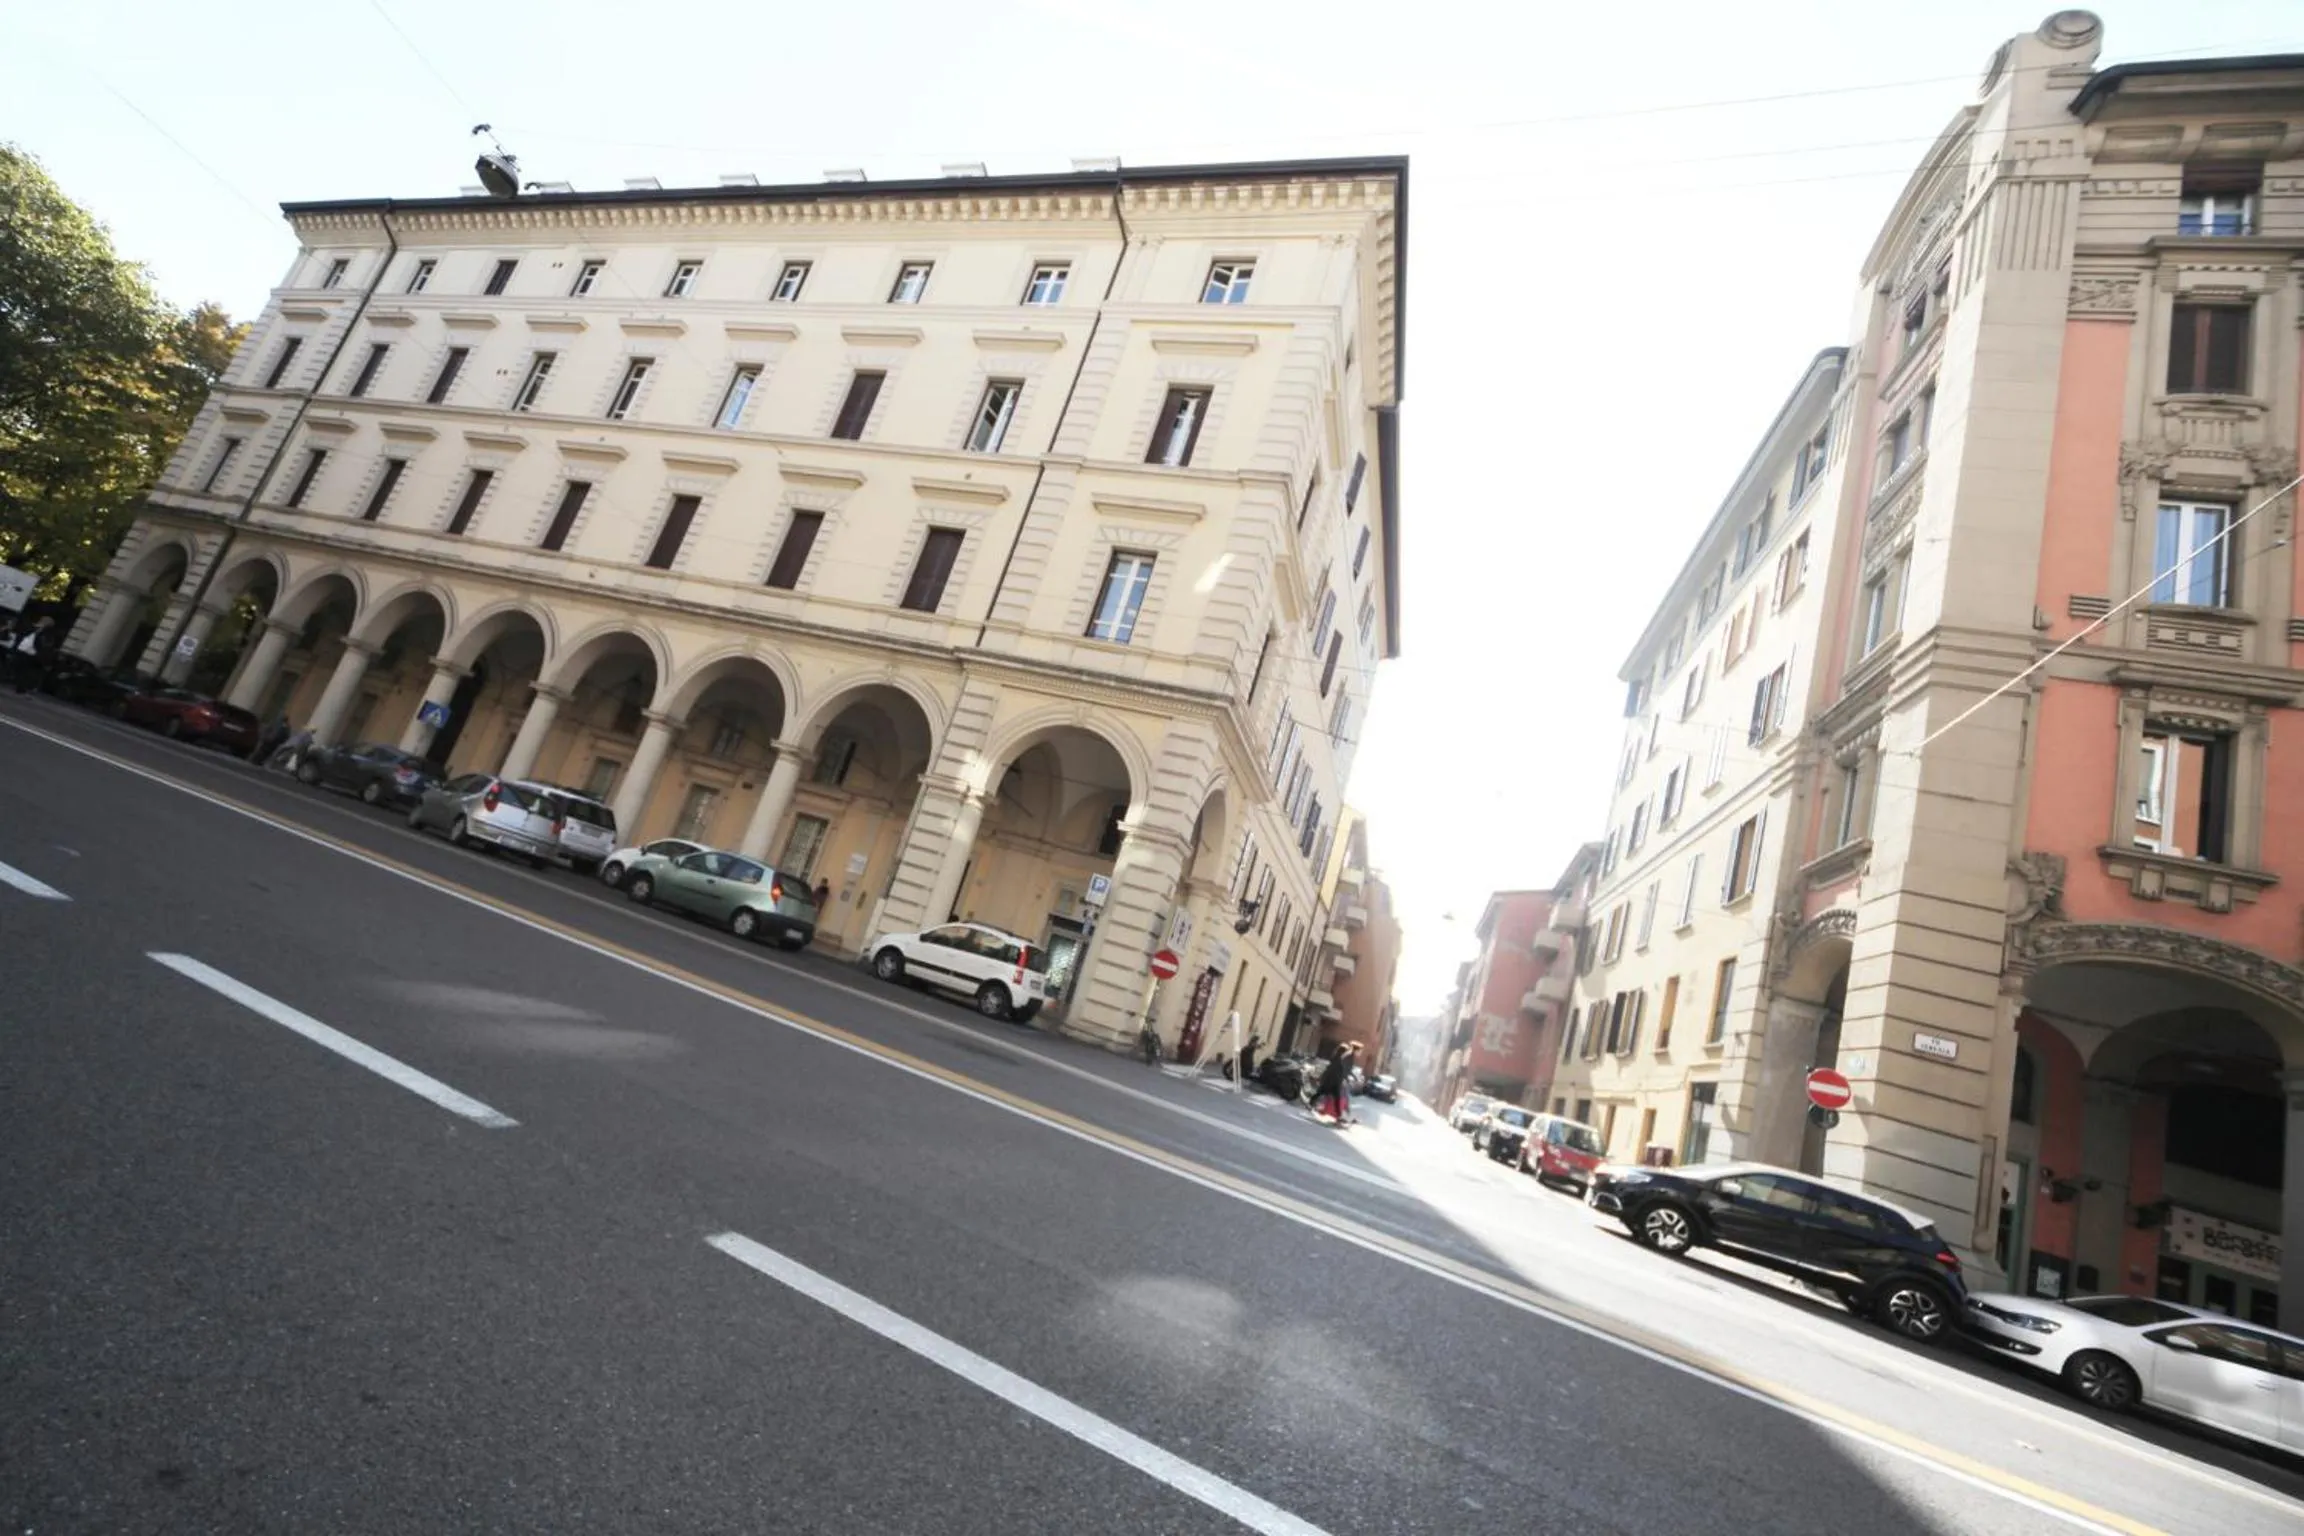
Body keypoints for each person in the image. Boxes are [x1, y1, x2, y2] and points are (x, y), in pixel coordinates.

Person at [10, 616, 56, 694]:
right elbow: (23, 635)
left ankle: (20, 687)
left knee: (24, 670)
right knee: (19, 668)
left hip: (30, 654)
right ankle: (19, 686)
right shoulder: (33, 628)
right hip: (23, 650)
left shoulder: (44, 633)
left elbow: (42, 644)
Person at [1313, 1044, 1352, 1125]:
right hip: (1331, 1082)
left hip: (1333, 1082)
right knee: (1335, 1097)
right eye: (1347, 1053)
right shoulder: (1337, 1060)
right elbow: (1332, 1072)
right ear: (1343, 1052)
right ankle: (1336, 1115)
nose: (1347, 1055)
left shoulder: (1339, 1059)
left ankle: (1337, 1115)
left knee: (1337, 1097)